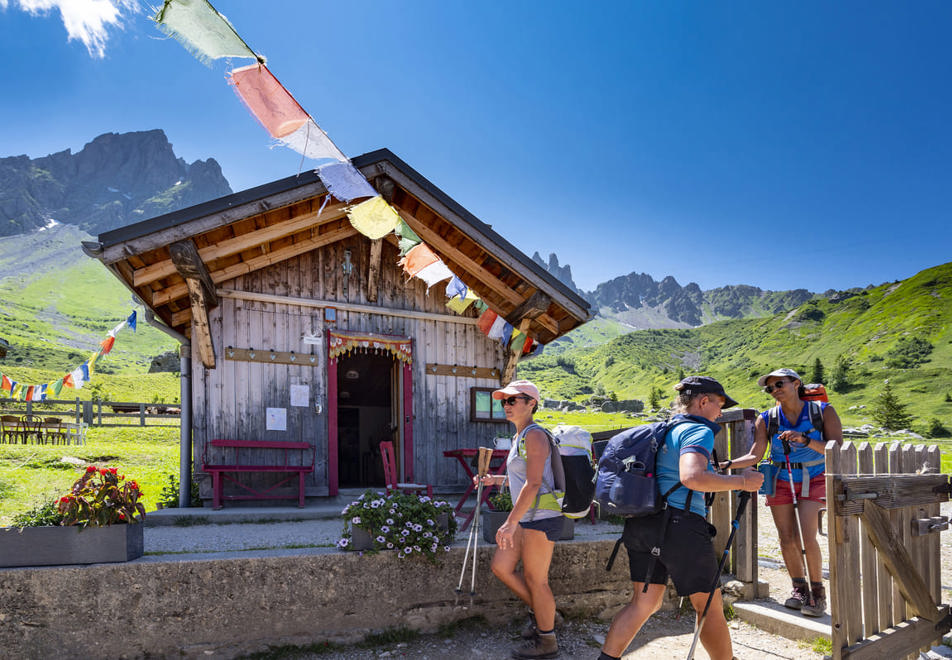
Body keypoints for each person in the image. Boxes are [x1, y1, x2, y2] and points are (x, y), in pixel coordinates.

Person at [599, 376, 763, 660]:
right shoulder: (698, 431)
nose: (720, 413)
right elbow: (693, 477)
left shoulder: (666, 430)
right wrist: (742, 482)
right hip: (680, 527)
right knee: (708, 605)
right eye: (719, 404)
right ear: (703, 401)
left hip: (643, 524)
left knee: (643, 602)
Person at [726, 368, 842, 617]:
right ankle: (799, 588)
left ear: (796, 383)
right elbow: (756, 454)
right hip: (780, 478)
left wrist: (806, 440)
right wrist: (727, 465)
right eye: (770, 388)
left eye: (780, 384)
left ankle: (818, 595)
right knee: (786, 537)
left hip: (814, 478)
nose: (775, 390)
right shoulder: (767, 418)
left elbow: (836, 448)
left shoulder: (823, 412)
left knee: (807, 536)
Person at [477, 379, 563, 659]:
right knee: (502, 567)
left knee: (536, 579)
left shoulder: (535, 435)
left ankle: (547, 640)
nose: (506, 405)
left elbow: (535, 483)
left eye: (513, 400)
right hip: (527, 514)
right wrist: (495, 479)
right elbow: (523, 479)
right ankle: (545, 615)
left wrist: (510, 522)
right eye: (504, 401)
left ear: (531, 403)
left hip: (541, 516)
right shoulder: (520, 436)